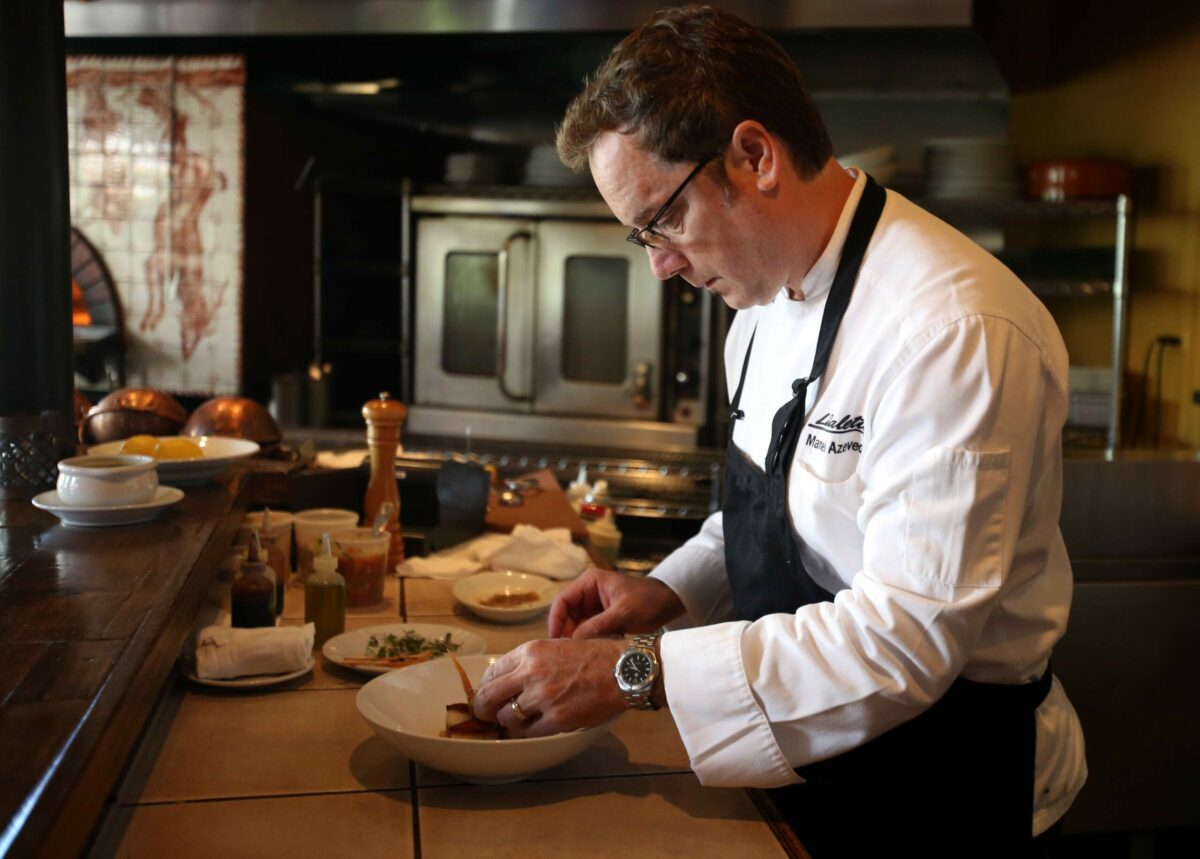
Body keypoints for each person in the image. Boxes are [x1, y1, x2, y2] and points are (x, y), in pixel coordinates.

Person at [471, 6, 1086, 856]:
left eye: (663, 221)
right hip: (814, 769)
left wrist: (633, 671)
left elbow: (906, 640)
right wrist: (672, 588)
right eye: (639, 235)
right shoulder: (757, 311)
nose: (659, 263)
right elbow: (784, 515)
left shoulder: (952, 327)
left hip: (946, 780)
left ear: (755, 156)